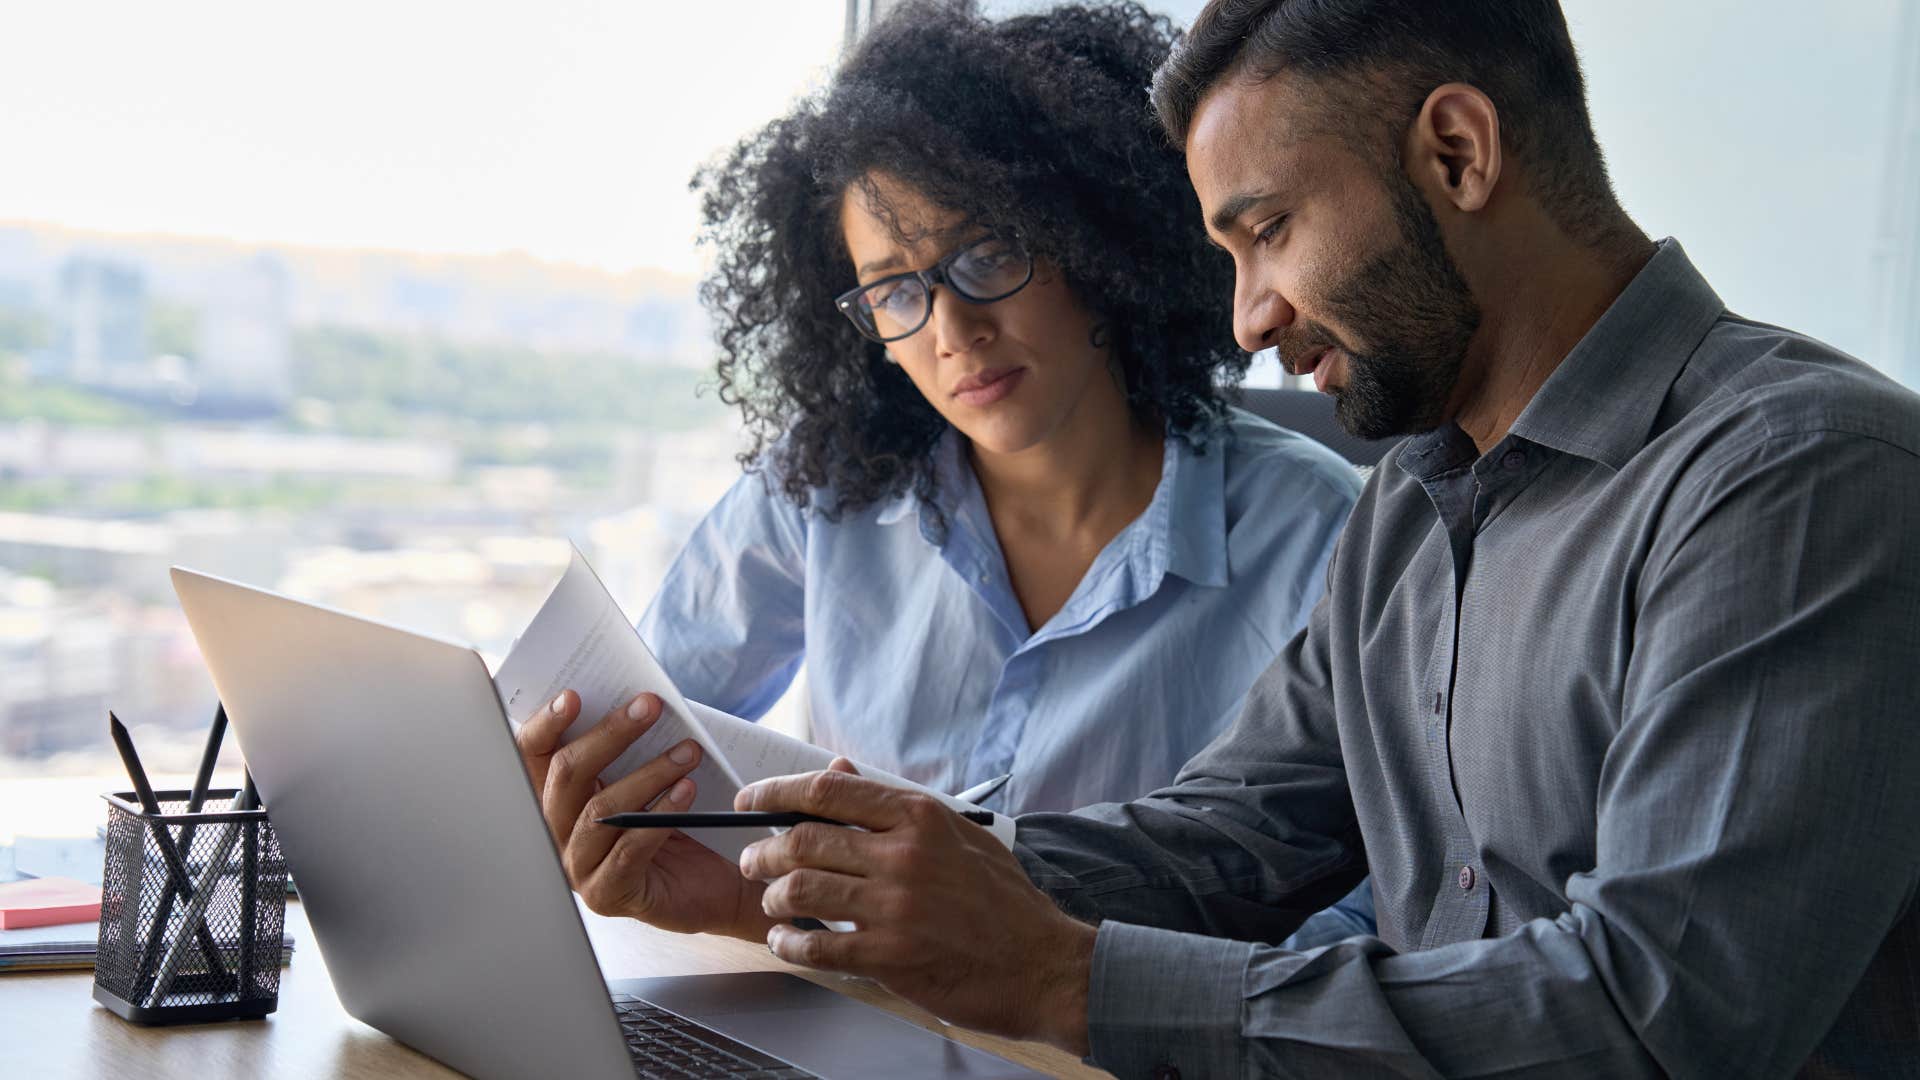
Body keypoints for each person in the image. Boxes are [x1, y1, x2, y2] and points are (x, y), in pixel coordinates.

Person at [533, 0, 1920, 1073]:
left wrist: (1069, 982)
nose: (1247, 316)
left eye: (1267, 232)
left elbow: (1658, 1018)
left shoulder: (1800, 476)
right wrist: (800, 886)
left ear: (1458, 152)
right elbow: (1223, 843)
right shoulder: (1415, 508)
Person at [522, 0, 1374, 944]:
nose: (952, 329)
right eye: (894, 289)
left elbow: (1378, 908)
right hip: (836, 1002)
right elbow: (651, 721)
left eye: (989, 254)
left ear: (1098, 246)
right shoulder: (823, 491)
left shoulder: (1322, 536)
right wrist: (581, 798)